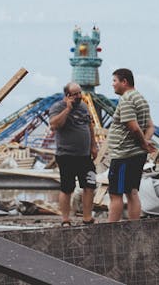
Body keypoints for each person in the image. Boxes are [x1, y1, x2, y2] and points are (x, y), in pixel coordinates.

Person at [106, 68, 156, 222]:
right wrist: (145, 143)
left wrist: (143, 143)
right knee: (132, 192)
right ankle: (134, 228)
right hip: (137, 155)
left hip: (123, 155)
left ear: (124, 82)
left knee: (115, 194)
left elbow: (133, 126)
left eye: (115, 80)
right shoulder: (141, 98)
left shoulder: (127, 99)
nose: (112, 84)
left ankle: (110, 229)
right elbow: (150, 127)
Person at [49, 82, 97, 226]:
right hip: (66, 155)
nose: (79, 96)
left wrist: (93, 145)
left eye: (79, 93)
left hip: (84, 155)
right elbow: (54, 125)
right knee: (67, 188)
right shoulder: (58, 107)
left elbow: (90, 126)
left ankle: (87, 217)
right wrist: (68, 110)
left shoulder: (83, 106)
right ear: (67, 95)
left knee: (89, 185)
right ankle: (65, 219)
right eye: (75, 94)